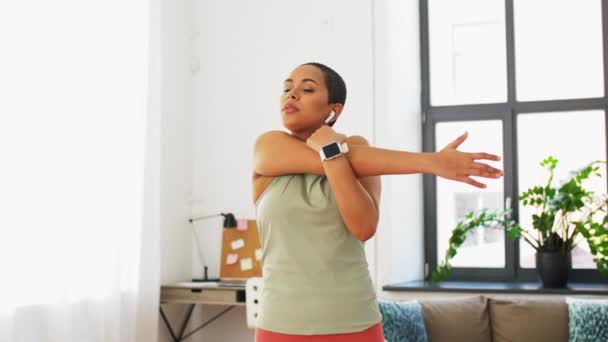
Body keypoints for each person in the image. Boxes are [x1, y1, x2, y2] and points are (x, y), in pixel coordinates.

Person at [252, 62, 503, 342]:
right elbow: (340, 160)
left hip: (353, 321)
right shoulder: (268, 146)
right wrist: (431, 162)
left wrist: (332, 154)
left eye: (307, 88)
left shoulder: (360, 148)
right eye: (287, 88)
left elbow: (363, 228)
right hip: (278, 323)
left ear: (333, 110)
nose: (291, 94)